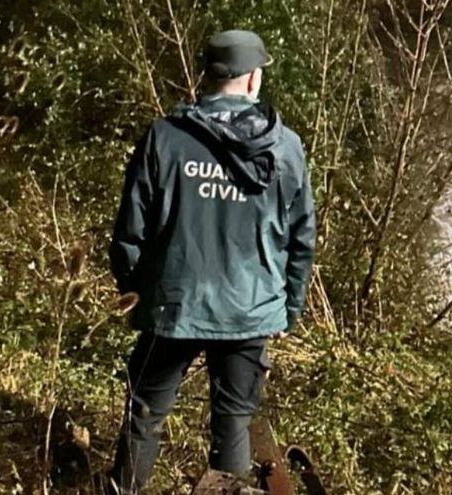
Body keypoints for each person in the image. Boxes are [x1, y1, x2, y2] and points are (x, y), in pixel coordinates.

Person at [104, 30, 316, 493]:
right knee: (233, 426)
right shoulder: (286, 149)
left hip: (172, 304)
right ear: (254, 78)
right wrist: (289, 308)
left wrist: (138, 288)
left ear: (208, 75)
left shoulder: (165, 138)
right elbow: (302, 239)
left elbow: (129, 234)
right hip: (250, 309)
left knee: (144, 416)